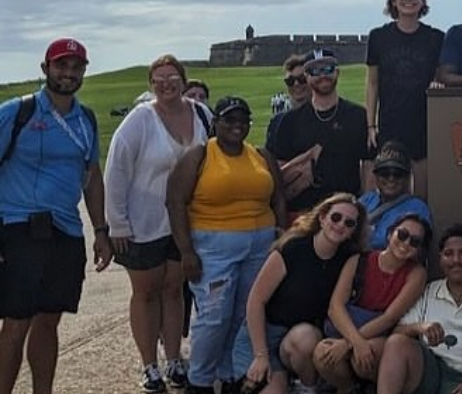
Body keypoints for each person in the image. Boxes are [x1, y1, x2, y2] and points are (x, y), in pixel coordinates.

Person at [0, 38, 113, 394]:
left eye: (76, 67)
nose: (68, 73)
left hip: (65, 230)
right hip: (19, 227)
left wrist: (101, 229)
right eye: (61, 65)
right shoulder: (17, 111)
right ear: (46, 68)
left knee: (49, 320)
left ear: (84, 72)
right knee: (16, 322)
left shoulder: (86, 119)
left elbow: (92, 177)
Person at [104, 54, 212, 392]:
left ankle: (174, 358)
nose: (166, 83)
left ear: (183, 79)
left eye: (172, 77)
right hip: (143, 221)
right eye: (158, 79)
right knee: (147, 293)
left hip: (183, 222)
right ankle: (149, 364)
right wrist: (116, 223)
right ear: (151, 85)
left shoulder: (200, 114)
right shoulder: (140, 120)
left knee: (174, 291)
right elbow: (117, 170)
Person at [166, 96, 287, 394]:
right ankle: (200, 379)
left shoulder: (260, 155)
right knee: (214, 315)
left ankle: (232, 373)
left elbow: (279, 198)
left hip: (259, 247)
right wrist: (186, 252)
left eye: (242, 120)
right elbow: (175, 202)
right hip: (213, 248)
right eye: (229, 119)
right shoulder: (199, 156)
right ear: (215, 123)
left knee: (245, 314)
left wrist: (281, 234)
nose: (237, 125)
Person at [235, 193, 368, 394]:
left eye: (349, 223)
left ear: (353, 231)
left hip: (300, 340)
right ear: (322, 217)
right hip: (262, 334)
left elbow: (336, 307)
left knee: (304, 338)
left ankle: (307, 387)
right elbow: (256, 301)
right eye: (335, 217)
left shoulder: (349, 258)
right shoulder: (292, 249)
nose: (340, 225)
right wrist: (261, 355)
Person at [376, 223, 462, 394]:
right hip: (432, 371)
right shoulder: (429, 291)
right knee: (396, 343)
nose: (456, 260)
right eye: (448, 254)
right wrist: (421, 327)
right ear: (441, 258)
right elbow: (397, 332)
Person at [314, 214, 430, 393]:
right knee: (323, 354)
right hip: (349, 329)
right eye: (402, 234)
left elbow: (390, 317)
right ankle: (349, 389)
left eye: (414, 241)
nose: (406, 243)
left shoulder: (416, 273)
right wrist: (354, 342)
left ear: (419, 249)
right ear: (390, 233)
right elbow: (335, 307)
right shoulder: (359, 260)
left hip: (380, 335)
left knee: (367, 355)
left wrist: (350, 344)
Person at [366, 0, 445, 196]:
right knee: (386, 189)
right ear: (393, 1)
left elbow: (441, 76)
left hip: (423, 122)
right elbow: (372, 83)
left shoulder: (435, 38)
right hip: (390, 121)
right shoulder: (379, 37)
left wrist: (439, 83)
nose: (408, 0)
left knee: (422, 193)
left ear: (422, 1)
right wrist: (371, 126)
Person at [273, 49, 370, 218]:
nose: (322, 76)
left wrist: (364, 210)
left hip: (344, 213)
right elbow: (280, 175)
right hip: (303, 213)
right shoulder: (289, 121)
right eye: (314, 71)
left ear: (337, 72)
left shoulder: (358, 116)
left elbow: (368, 168)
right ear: (307, 77)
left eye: (328, 69)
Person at [358, 142, 432, 251]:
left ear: (407, 178)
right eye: (385, 173)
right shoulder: (366, 200)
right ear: (376, 177)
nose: (391, 178)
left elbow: (416, 248)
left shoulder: (417, 208)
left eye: (397, 174)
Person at [266, 55, 311, 155]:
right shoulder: (277, 122)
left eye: (302, 79)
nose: (296, 84)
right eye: (290, 81)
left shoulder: (323, 117)